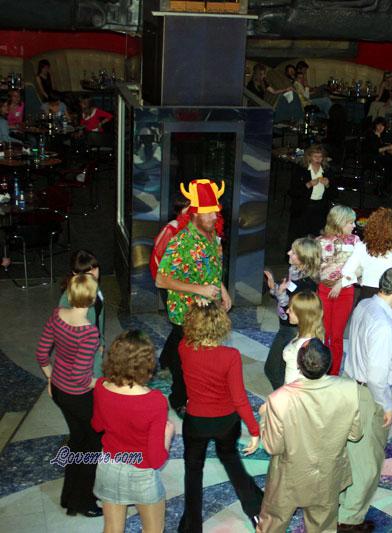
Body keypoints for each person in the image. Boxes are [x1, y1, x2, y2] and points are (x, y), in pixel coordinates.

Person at [256, 339, 367, 533]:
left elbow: (272, 446)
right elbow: (355, 434)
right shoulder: (349, 389)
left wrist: (264, 417)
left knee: (272, 524)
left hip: (288, 477)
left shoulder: (279, 398)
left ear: (299, 364)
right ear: (329, 363)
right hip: (328, 474)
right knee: (323, 527)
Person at [339, 267, 392, 531]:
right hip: (369, 395)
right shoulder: (383, 326)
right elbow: (377, 377)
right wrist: (387, 405)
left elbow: (376, 329)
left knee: (351, 455)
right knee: (368, 464)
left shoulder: (365, 305)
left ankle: (343, 505)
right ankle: (349, 520)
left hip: (350, 387)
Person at [178, 303, 263, 531]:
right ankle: (255, 511)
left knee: (193, 471)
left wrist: (198, 306)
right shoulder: (230, 356)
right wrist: (254, 430)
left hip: (196, 421)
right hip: (226, 422)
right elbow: (239, 398)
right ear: (221, 326)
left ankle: (191, 526)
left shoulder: (184, 347)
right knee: (232, 461)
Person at [156, 179, 231, 414]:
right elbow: (161, 280)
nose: (214, 217)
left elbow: (212, 268)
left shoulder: (212, 235)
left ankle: (195, 389)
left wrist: (222, 290)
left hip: (207, 311)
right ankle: (178, 399)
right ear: (195, 213)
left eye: (215, 212)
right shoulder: (182, 242)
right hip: (186, 314)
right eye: (209, 213)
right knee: (185, 361)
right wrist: (199, 290)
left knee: (200, 358)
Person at [92, 331, 174, 533]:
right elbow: (156, 459)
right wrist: (168, 434)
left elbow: (97, 425)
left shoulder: (101, 386)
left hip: (108, 466)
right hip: (141, 474)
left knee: (112, 528)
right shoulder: (155, 401)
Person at [35, 274, 102, 518]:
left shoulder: (57, 315)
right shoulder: (89, 333)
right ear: (92, 299)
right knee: (93, 446)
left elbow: (41, 353)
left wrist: (51, 378)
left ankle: (70, 497)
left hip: (59, 391)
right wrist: (102, 383)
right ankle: (83, 501)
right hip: (78, 396)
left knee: (78, 440)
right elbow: (80, 377)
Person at [263, 237, 321, 390]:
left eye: (294, 252)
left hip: (292, 330)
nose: (288, 253)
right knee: (278, 370)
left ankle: (284, 397)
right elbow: (289, 296)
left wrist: (280, 293)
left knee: (273, 370)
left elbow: (292, 308)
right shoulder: (295, 273)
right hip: (285, 327)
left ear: (304, 258)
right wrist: (275, 288)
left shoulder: (307, 284)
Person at [316, 205, 360, 375]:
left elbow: (360, 268)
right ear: (339, 222)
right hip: (323, 291)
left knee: (336, 336)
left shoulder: (355, 241)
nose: (354, 226)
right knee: (323, 334)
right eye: (350, 222)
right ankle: (321, 371)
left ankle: (333, 374)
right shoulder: (320, 241)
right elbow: (312, 268)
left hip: (345, 291)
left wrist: (341, 282)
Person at [338, 207, 392, 302]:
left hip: (379, 297)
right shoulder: (362, 247)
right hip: (383, 298)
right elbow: (347, 272)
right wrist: (358, 276)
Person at [58, 250, 105, 377]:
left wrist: (101, 342)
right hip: (82, 351)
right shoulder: (67, 298)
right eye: (88, 272)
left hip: (94, 344)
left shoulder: (95, 288)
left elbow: (99, 317)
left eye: (95, 268)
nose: (94, 274)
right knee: (92, 380)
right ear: (75, 274)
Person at [287, 144, 334, 247]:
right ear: (309, 157)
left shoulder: (327, 171)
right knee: (299, 236)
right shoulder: (301, 170)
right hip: (303, 207)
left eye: (320, 156)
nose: (318, 159)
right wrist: (308, 185)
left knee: (317, 237)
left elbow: (334, 194)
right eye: (315, 156)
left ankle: (314, 255)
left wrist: (328, 185)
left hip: (320, 208)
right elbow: (292, 192)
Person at [282, 290, 325, 384]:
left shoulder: (303, 345)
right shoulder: (315, 331)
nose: (287, 311)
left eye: (291, 310)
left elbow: (293, 381)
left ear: (302, 315)